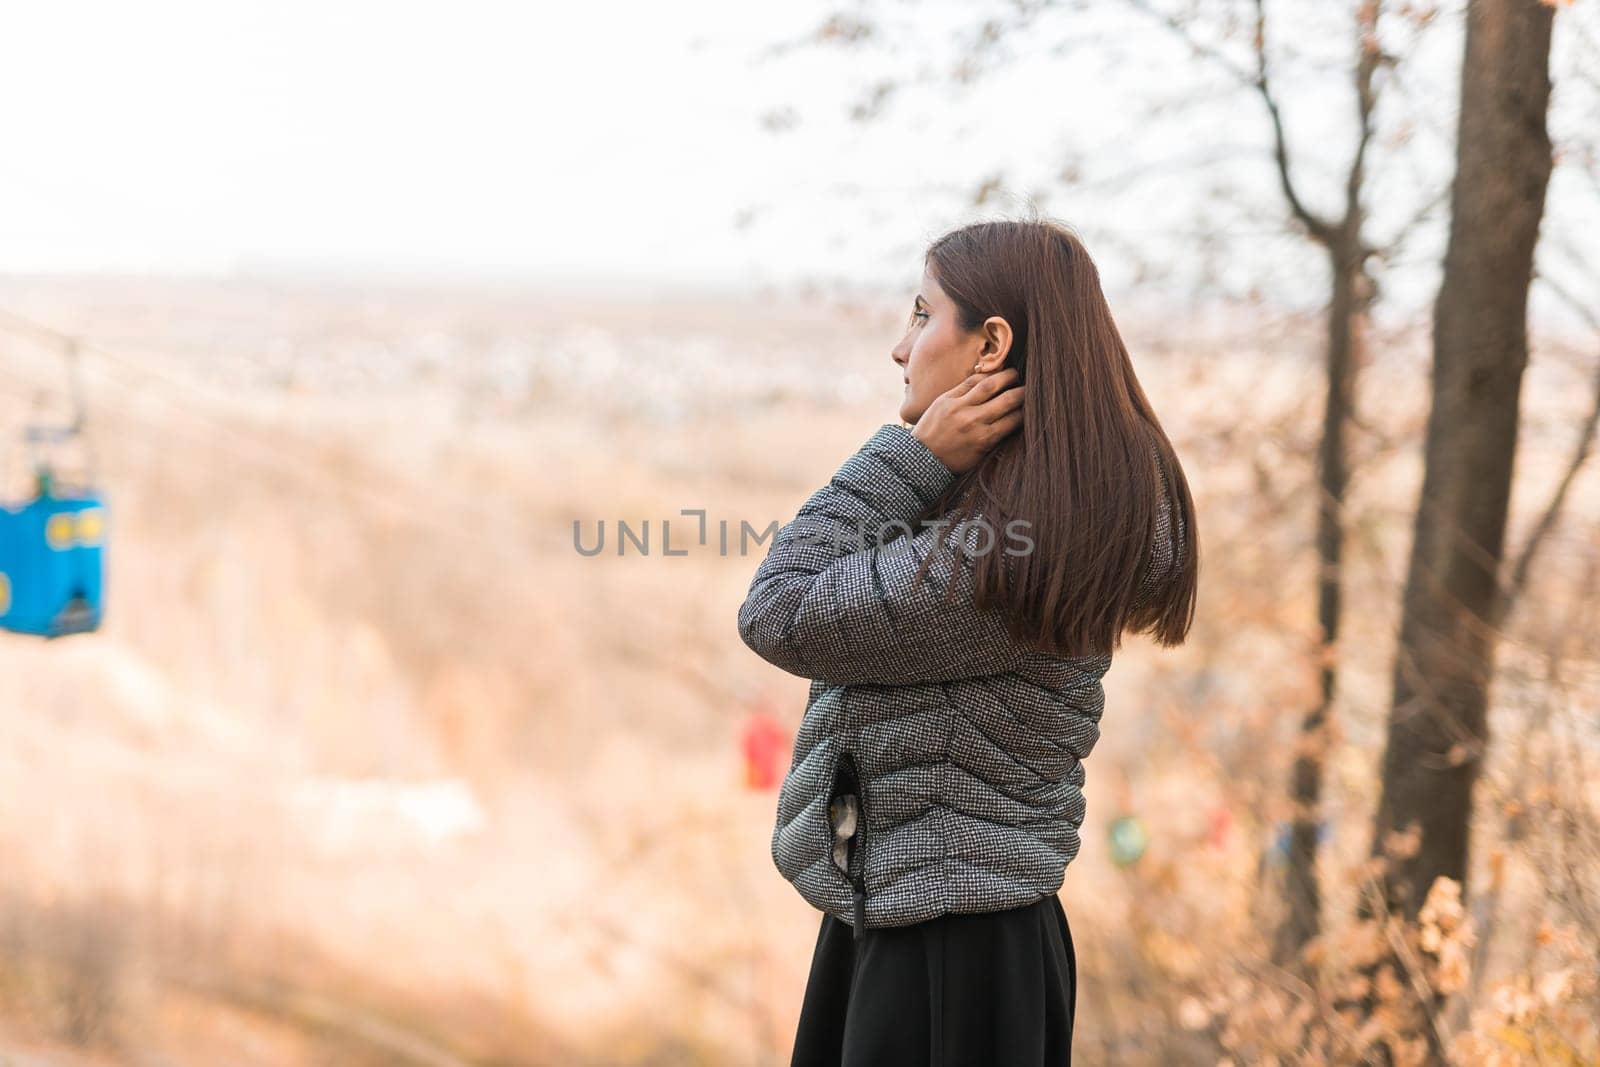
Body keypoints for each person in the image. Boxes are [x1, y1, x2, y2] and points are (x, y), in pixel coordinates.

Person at [737, 216, 1198, 1066]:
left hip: (945, 959)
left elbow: (780, 607)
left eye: (920, 315)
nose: (898, 347)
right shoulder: (1012, 517)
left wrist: (910, 458)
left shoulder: (1008, 554)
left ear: (992, 344)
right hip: (932, 925)